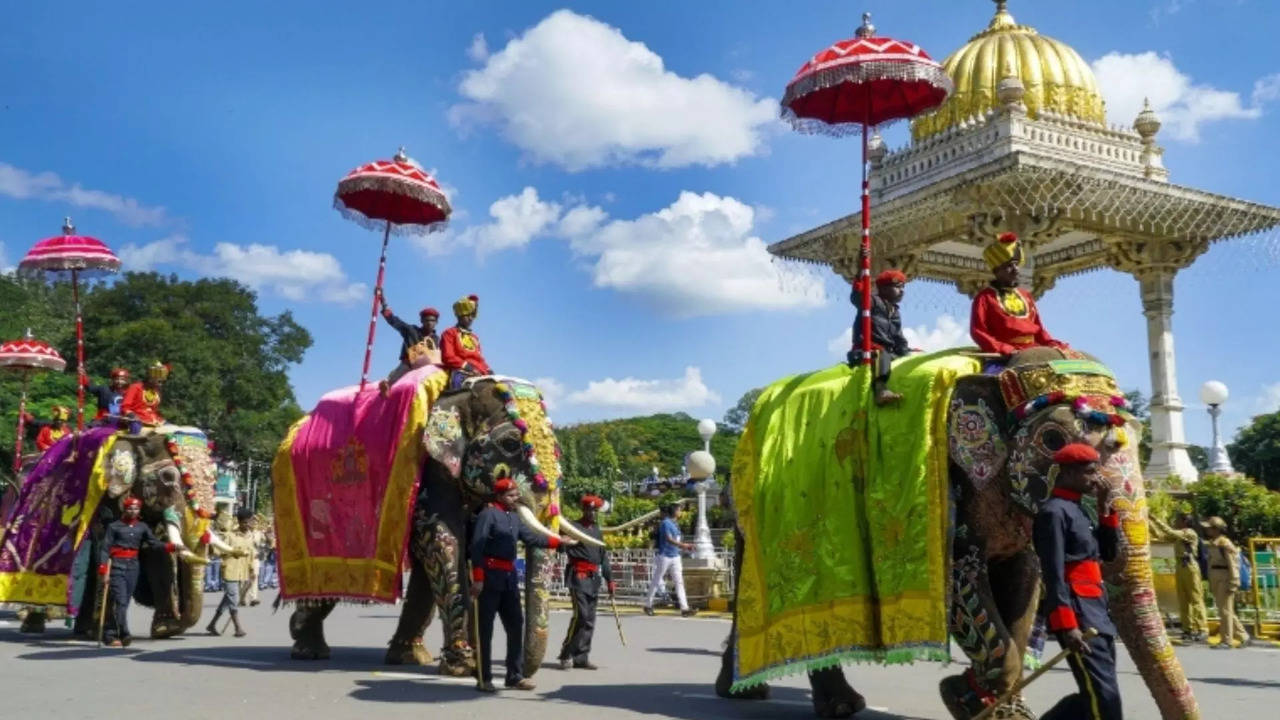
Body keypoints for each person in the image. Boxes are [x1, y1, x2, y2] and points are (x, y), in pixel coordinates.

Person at [1034, 443, 1122, 720]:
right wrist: (1066, 624)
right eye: (1089, 472)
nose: (1096, 478)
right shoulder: (1053, 512)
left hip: (1096, 608)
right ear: (1068, 472)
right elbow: (1053, 571)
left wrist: (1105, 507)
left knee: (1095, 694)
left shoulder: (1079, 510)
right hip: (1077, 613)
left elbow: (1108, 553)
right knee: (1104, 697)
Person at [468, 477, 573, 692]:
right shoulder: (488, 515)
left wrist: (558, 541)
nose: (516, 498)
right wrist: (478, 578)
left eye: (516, 494)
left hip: (508, 578)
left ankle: (514, 675)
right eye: (511, 495)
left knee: (516, 625)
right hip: (489, 577)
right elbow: (476, 547)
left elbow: (532, 538)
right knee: (485, 629)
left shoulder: (514, 518)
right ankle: (483, 676)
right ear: (499, 496)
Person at [969, 232, 1068, 357]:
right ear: (997, 270)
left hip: (1034, 349)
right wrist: (1004, 348)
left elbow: (1038, 329)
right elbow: (978, 332)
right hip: (1006, 354)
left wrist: (1051, 343)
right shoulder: (984, 298)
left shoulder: (1026, 296)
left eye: (1016, 264)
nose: (1015, 269)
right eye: (1009, 266)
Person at [99, 496, 176, 647]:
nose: (133, 511)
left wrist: (170, 547)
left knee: (124, 602)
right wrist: (103, 570)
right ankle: (124, 633)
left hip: (133, 567)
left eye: (136, 509)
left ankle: (111, 633)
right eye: (130, 508)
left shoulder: (142, 527)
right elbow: (105, 549)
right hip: (117, 566)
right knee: (120, 601)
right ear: (124, 509)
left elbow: (153, 543)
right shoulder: (114, 527)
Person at [850, 247, 914, 405]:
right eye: (898, 287)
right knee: (882, 355)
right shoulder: (872, 302)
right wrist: (860, 268)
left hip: (889, 352)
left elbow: (899, 337)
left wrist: (906, 353)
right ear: (884, 288)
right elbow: (858, 296)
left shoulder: (895, 311)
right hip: (869, 351)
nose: (902, 291)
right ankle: (880, 389)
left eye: (903, 288)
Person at [558, 495, 615, 670]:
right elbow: (560, 547)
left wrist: (610, 579)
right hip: (578, 577)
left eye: (595, 510)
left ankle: (581, 657)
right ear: (583, 510)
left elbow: (603, 556)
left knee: (590, 620)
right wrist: (562, 541)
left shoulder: (597, 530)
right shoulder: (573, 527)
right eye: (589, 510)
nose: (592, 513)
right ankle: (566, 653)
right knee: (580, 616)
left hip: (593, 578)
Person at [1149, 513, 1209, 642]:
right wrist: (1148, 523)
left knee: (1195, 598)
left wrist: (1154, 518)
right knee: (1183, 600)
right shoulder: (1179, 535)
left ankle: (1202, 628)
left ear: (1185, 521)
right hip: (1180, 567)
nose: (1175, 522)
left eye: (1177, 519)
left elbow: (1169, 531)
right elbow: (1161, 536)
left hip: (1190, 566)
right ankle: (1187, 628)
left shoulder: (1189, 533)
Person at [377, 288, 441, 389]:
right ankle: (387, 385)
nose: (429, 323)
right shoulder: (411, 330)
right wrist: (383, 303)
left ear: (436, 322)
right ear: (421, 321)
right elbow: (394, 321)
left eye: (432, 320)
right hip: (409, 365)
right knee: (392, 380)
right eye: (426, 320)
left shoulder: (437, 339)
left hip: (430, 368)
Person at [207, 507, 255, 637]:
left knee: (227, 600)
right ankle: (238, 628)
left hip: (241, 573)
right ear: (240, 522)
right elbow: (218, 551)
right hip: (229, 571)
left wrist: (252, 571)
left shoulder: (250, 537)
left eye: (250, 521)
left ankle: (211, 624)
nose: (249, 524)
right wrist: (211, 546)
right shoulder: (230, 536)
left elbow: (251, 555)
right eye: (246, 522)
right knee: (233, 599)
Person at [1203, 516, 1250, 648]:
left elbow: (1233, 563)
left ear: (1216, 529)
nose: (1207, 530)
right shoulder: (1214, 542)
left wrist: (1234, 581)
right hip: (1216, 577)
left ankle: (1226, 640)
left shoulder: (1224, 543)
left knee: (1225, 610)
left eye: (1209, 528)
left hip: (1225, 577)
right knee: (1225, 610)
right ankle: (1243, 636)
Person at [643, 503, 696, 618]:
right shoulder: (665, 523)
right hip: (665, 556)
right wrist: (684, 545)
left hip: (675, 556)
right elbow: (669, 539)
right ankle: (648, 605)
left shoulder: (675, 524)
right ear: (674, 511)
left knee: (679, 582)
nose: (680, 512)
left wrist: (683, 546)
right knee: (657, 580)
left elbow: (677, 538)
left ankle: (684, 608)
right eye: (679, 510)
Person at [440, 294, 492, 389]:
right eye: (467, 315)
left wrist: (489, 370)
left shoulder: (474, 337)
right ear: (460, 315)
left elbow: (480, 358)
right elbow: (448, 357)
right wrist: (468, 367)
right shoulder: (449, 333)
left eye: (472, 315)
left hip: (480, 371)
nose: (470, 318)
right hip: (461, 371)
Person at [121, 361, 169, 428]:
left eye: (161, 381)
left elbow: (154, 410)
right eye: (158, 381)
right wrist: (132, 416)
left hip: (155, 420)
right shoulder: (135, 387)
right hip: (137, 420)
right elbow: (125, 407)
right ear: (150, 378)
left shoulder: (157, 391)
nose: (160, 383)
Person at [240, 513, 263, 607]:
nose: (254, 523)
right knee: (244, 578)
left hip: (255, 558)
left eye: (256, 522)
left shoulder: (258, 533)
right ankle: (243, 598)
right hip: (245, 557)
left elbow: (260, 544)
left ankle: (253, 598)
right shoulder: (244, 532)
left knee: (254, 577)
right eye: (252, 521)